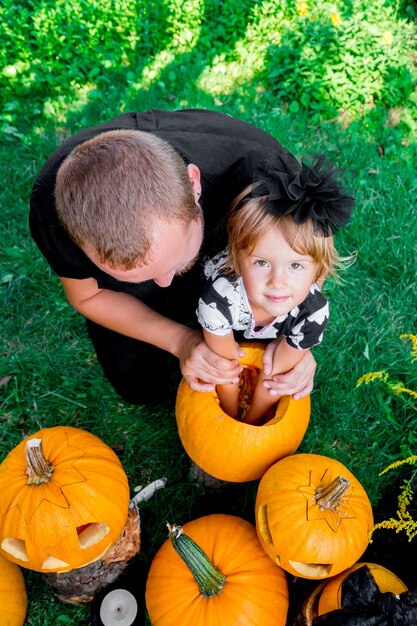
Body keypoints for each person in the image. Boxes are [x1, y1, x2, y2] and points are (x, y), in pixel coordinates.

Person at [29, 109, 317, 405]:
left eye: (176, 262)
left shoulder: (263, 175)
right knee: (138, 386)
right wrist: (179, 340)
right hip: (128, 298)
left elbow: (305, 261)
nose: (165, 282)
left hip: (240, 273)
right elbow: (88, 296)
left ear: (194, 184)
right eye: (133, 277)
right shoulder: (52, 211)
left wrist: (297, 346)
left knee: (256, 360)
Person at [197, 152, 354, 424]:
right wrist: (232, 418)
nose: (277, 282)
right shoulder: (217, 302)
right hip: (230, 304)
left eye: (295, 266)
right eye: (261, 262)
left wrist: (253, 421)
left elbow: (276, 374)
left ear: (318, 270)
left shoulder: (312, 315)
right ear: (238, 260)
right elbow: (224, 365)